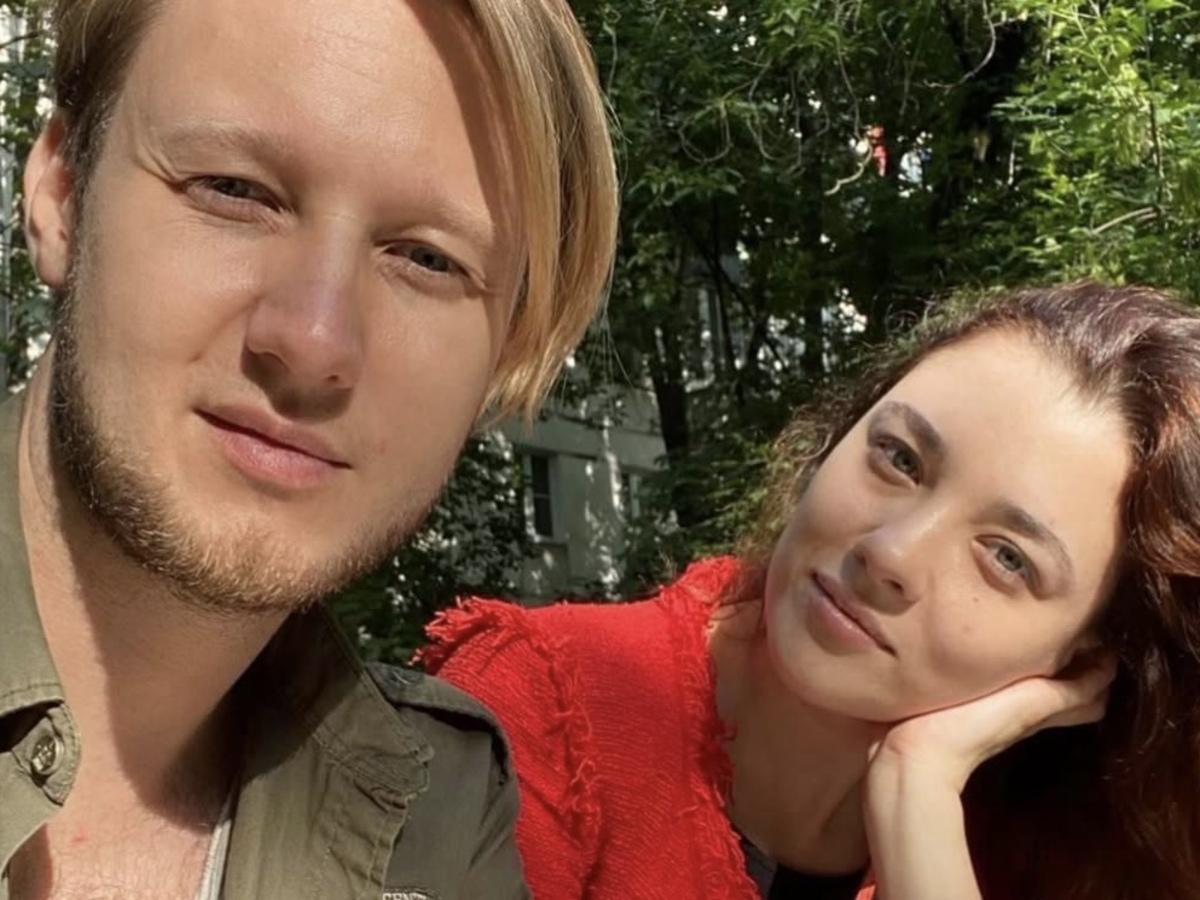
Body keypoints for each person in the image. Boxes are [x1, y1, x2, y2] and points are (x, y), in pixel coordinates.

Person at [0, 0, 617, 897]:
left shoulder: (438, 826)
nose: (315, 340)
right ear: (61, 192)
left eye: (428, 259)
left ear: (502, 355)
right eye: (234, 190)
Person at [423, 283, 1200, 900]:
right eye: (899, 459)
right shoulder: (543, 709)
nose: (889, 552)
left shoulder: (1054, 847)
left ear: (1083, 663)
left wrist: (918, 799)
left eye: (1005, 557)